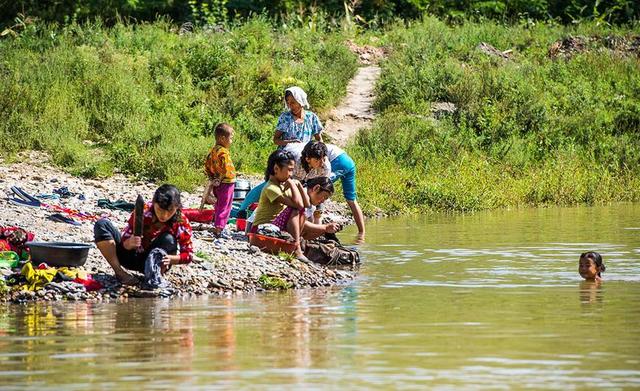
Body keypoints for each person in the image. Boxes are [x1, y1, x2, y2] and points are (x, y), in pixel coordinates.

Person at [94, 184, 193, 285]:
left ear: (177, 207)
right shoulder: (144, 211)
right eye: (160, 210)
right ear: (154, 203)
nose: (164, 216)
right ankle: (120, 273)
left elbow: (189, 255)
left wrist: (171, 259)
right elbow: (124, 240)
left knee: (168, 239)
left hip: (155, 261)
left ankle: (154, 277)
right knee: (102, 224)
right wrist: (129, 243)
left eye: (170, 211)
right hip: (129, 256)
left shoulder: (181, 222)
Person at [251, 150, 310, 261]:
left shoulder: (282, 186)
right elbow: (299, 205)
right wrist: (292, 184)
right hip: (262, 229)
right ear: (276, 169)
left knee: (303, 213)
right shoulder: (271, 188)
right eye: (289, 170)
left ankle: (294, 243)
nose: (291, 175)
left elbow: (306, 204)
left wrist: (299, 186)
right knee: (295, 210)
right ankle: (296, 248)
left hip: (275, 227)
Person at [323, 142, 365, 242]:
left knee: (319, 188)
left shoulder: (306, 150)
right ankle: (362, 234)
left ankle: (315, 225)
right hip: (349, 162)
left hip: (338, 161)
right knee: (352, 200)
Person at [204, 123, 236, 237]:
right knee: (225, 205)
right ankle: (219, 228)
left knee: (218, 204)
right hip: (227, 183)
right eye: (231, 138)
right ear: (222, 138)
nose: (231, 141)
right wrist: (222, 177)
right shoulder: (224, 152)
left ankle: (217, 224)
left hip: (217, 182)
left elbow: (207, 165)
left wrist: (213, 178)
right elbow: (226, 168)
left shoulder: (213, 151)